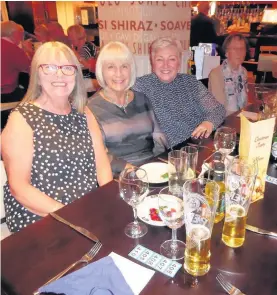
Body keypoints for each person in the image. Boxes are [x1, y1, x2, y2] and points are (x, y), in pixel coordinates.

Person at [1, 41, 113, 233]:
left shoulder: (84, 113)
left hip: (85, 209)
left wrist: (108, 202)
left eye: (67, 68)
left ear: (76, 74)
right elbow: (19, 188)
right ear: (37, 73)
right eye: (50, 67)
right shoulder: (22, 119)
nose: (59, 75)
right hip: (41, 217)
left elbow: (102, 166)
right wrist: (71, 216)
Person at [87, 41, 167, 175]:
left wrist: (165, 164)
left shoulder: (142, 99)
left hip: (150, 171)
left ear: (131, 69)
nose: (119, 73)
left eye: (124, 66)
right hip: (117, 177)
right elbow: (98, 155)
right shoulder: (91, 108)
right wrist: (132, 171)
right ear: (101, 70)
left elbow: (159, 139)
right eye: (111, 67)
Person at [133, 37, 226, 148]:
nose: (165, 65)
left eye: (171, 59)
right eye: (159, 59)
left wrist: (208, 123)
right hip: (171, 154)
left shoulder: (190, 82)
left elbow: (218, 109)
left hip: (200, 145)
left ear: (178, 62)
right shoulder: (141, 86)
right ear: (152, 62)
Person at [209, 34, 248, 116]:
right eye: (235, 49)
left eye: (242, 49)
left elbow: (245, 102)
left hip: (241, 118)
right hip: (224, 122)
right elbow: (218, 110)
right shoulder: (216, 74)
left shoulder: (244, 72)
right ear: (226, 52)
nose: (239, 52)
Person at [1, 21, 31, 103]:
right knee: (29, 99)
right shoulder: (13, 49)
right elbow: (29, 68)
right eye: (21, 33)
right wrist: (28, 50)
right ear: (14, 34)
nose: (22, 37)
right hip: (5, 92)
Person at [67, 25, 98, 92]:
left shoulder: (89, 47)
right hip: (77, 80)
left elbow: (92, 69)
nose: (69, 39)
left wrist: (78, 57)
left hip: (88, 81)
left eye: (71, 37)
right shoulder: (72, 47)